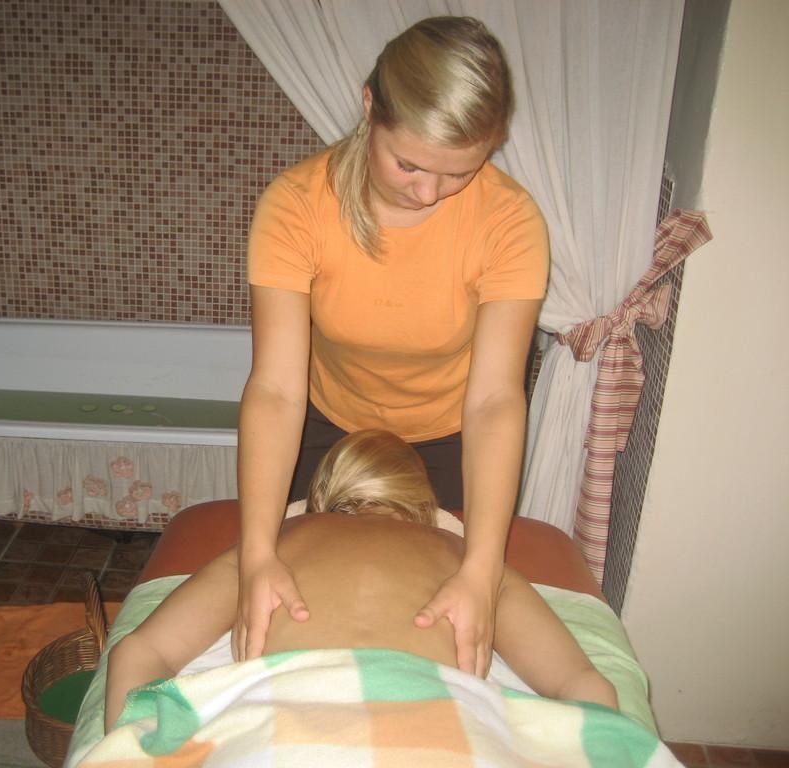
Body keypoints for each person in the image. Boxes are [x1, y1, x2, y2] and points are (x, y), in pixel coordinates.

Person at [235, 15, 549, 676]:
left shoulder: (510, 221)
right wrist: (256, 556)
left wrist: (482, 571)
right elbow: (277, 388)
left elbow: (495, 399)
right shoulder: (296, 206)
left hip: (452, 437)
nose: (428, 193)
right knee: (305, 600)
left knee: (437, 614)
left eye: (460, 172)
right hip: (327, 430)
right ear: (369, 105)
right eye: (408, 164)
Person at [105, 430, 616, 731]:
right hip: (432, 729)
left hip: (285, 721)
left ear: (321, 498)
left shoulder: (273, 548)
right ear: (424, 507)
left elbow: (139, 653)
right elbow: (581, 684)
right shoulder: (471, 565)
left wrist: (130, 748)